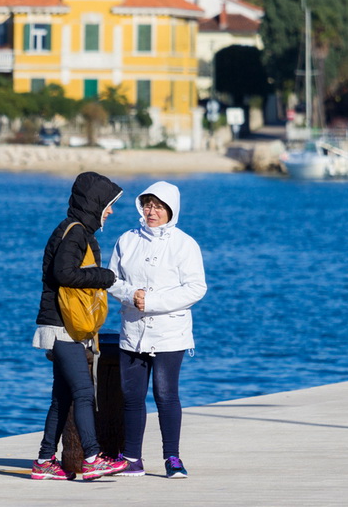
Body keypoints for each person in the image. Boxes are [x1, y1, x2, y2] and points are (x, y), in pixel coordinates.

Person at [31, 171, 129, 481]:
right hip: (63, 326)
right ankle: (91, 458)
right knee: (85, 392)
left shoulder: (78, 232)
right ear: (95, 203)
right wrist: (106, 277)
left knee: (63, 396)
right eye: (108, 204)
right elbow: (65, 274)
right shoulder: (74, 233)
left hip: (63, 324)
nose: (111, 211)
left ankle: (44, 462)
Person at [107, 181, 207, 479]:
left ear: (171, 211)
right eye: (148, 205)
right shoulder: (127, 239)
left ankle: (172, 458)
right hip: (132, 331)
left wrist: (152, 301)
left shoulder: (184, 244)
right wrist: (131, 296)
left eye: (159, 207)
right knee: (132, 396)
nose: (152, 211)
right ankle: (132, 458)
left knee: (166, 395)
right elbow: (111, 279)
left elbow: (196, 288)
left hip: (170, 334)